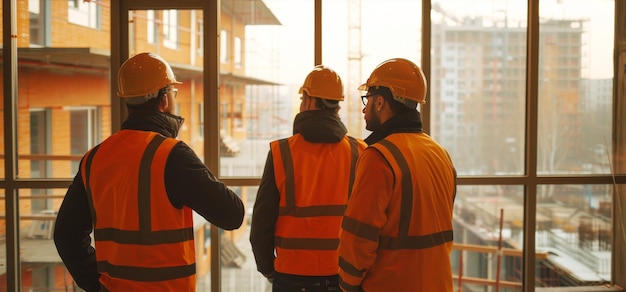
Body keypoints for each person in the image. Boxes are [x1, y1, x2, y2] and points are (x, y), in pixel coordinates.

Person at [53, 52, 245, 292]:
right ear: (163, 99)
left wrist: (95, 284)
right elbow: (232, 214)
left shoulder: (94, 158)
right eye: (173, 93)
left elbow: (65, 234)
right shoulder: (171, 155)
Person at [337, 58, 457, 291]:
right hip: (438, 283)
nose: (364, 108)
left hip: (392, 284)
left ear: (381, 101)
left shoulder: (379, 157)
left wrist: (347, 283)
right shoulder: (440, 153)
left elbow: (359, 236)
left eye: (368, 99)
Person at [250, 65, 367, 292]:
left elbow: (261, 224)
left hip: (291, 277)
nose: (302, 104)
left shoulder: (281, 153)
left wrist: (268, 269)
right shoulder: (359, 152)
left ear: (311, 102)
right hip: (343, 275)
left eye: (304, 98)